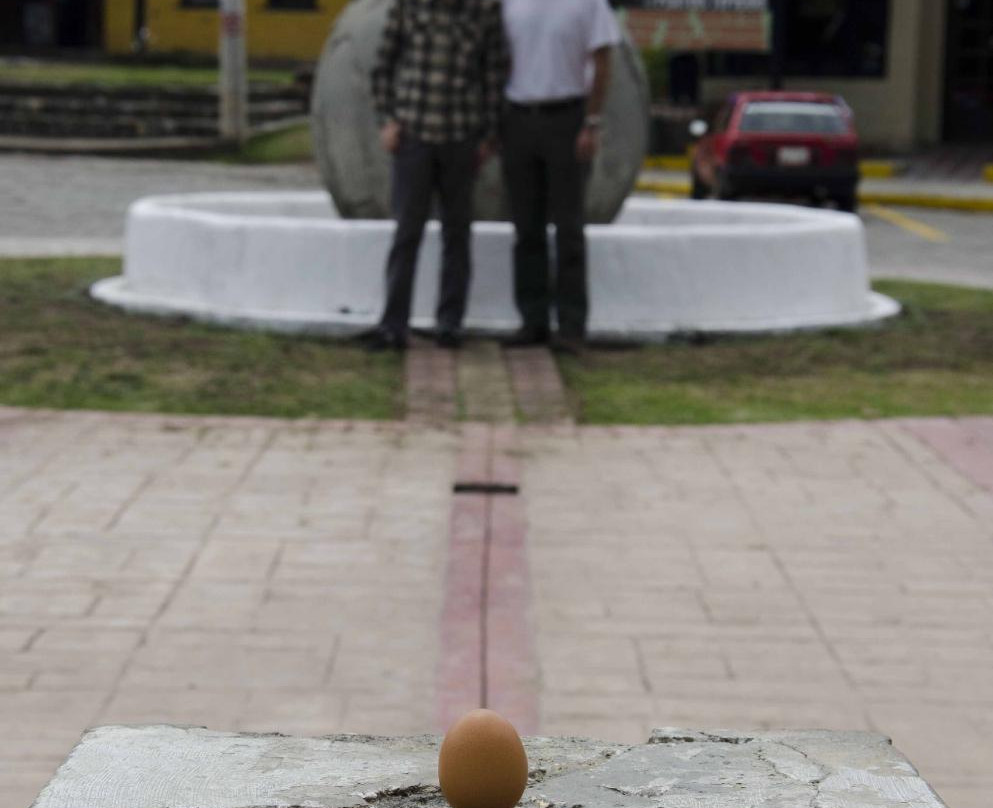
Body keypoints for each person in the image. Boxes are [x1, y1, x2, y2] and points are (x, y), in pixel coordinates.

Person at [363, 0, 508, 351]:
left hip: (461, 137)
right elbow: (382, 65)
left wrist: (489, 134)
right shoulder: (408, 6)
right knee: (407, 233)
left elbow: (494, 73)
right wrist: (387, 120)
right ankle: (394, 325)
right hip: (414, 136)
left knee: (457, 235)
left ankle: (450, 324)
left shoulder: (484, 9)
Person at [500, 0, 620, 353]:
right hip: (518, 117)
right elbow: (497, 59)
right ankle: (532, 320)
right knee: (526, 228)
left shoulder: (588, 4)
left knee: (568, 227)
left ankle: (571, 326)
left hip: (567, 118)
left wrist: (592, 121)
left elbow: (603, 61)